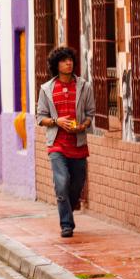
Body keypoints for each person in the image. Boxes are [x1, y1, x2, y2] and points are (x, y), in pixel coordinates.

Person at [35, 46, 95, 238]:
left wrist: (83, 125)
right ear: (56, 65)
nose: (68, 63)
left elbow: (90, 114)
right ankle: (66, 225)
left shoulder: (84, 87)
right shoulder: (47, 89)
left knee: (77, 184)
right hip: (57, 145)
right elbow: (40, 117)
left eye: (70, 59)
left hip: (78, 144)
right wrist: (57, 121)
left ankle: (69, 204)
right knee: (61, 184)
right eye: (63, 60)